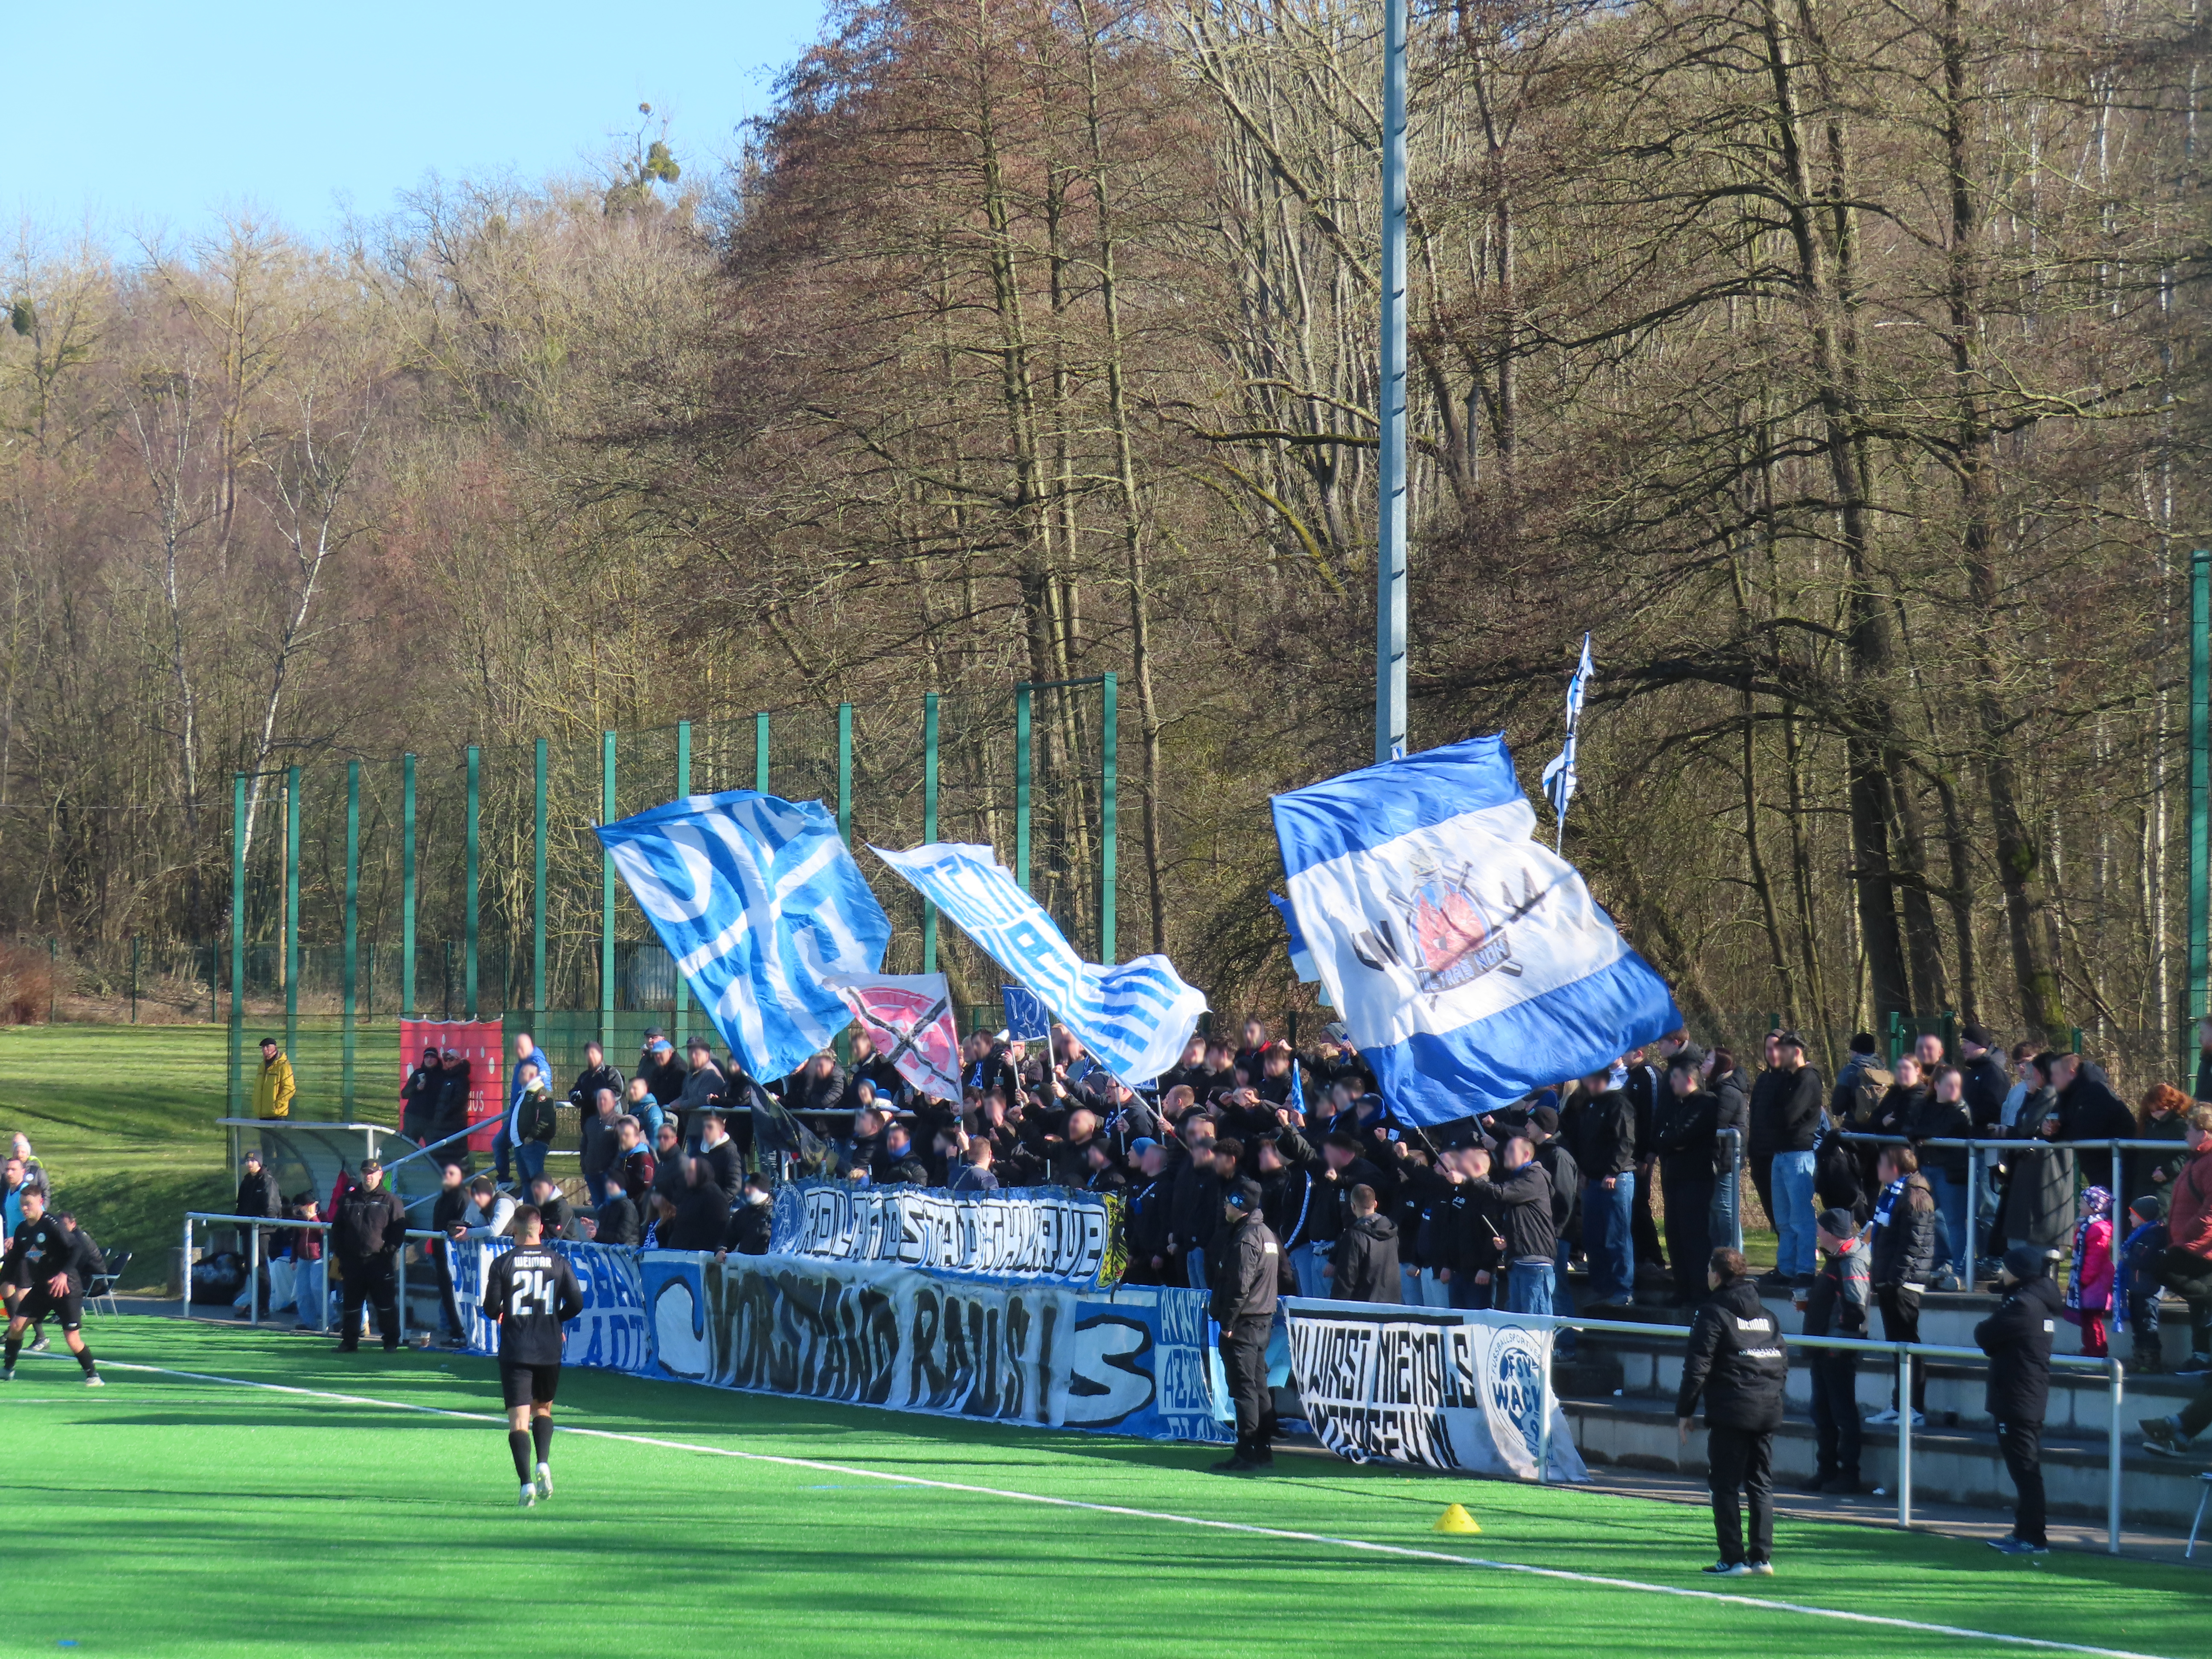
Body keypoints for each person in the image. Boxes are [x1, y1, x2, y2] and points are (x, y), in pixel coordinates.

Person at [1675, 1247, 1784, 1577]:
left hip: (1732, 1410)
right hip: (1766, 1409)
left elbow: (1698, 1365)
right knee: (1760, 1483)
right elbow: (1781, 1361)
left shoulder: (1712, 1312)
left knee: (1724, 1484)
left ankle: (1733, 1559)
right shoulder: (1767, 1315)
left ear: (1718, 1275)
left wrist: (1685, 1411)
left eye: (1710, 1270)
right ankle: (1762, 1558)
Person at [480, 1204, 584, 1508]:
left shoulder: (503, 1263)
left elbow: (490, 1308)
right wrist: (555, 1319)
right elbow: (577, 1303)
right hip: (549, 1347)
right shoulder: (558, 1261)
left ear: (515, 1228)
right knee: (544, 1410)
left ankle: (526, 1484)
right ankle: (543, 1463)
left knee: (518, 1422)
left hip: (516, 1348)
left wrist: (503, 1314)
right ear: (540, 1228)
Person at [1975, 1245, 2061, 1555]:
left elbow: (1984, 1334)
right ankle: (2023, 1531)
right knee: (2024, 1469)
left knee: (2025, 1470)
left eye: (2007, 1268)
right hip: (2022, 1395)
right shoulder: (2031, 1301)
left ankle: (2033, 1537)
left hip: (2018, 1397)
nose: (2002, 1272)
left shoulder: (2024, 1305)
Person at [1208, 1178, 1281, 1474]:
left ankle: (1246, 1451)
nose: (1225, 1206)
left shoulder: (1247, 1238)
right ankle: (1262, 1449)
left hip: (1244, 1322)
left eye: (1229, 1201)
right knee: (1259, 1387)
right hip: (1262, 1320)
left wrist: (1228, 1322)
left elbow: (1240, 1285)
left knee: (1244, 1389)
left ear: (1239, 1204)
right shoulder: (1266, 1234)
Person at [0, 1188, 102, 1385]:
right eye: (22, 1204)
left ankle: (93, 1375)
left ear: (40, 1202)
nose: (24, 1208)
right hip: (42, 1288)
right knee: (16, 1326)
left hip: (66, 1288)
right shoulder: (23, 1230)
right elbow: (15, 1258)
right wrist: (4, 1274)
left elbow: (77, 1248)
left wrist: (64, 1274)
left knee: (72, 1339)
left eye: (28, 1204)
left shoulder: (51, 1224)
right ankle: (8, 1369)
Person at [1798, 1208, 1868, 1495]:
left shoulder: (1851, 1262)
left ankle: (1847, 1474)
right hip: (1825, 1348)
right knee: (1823, 1411)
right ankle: (1827, 1471)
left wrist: (1835, 1345)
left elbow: (1854, 1311)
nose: (1816, 1232)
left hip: (1836, 1351)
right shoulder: (1840, 1259)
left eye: (1820, 1228)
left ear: (1831, 1232)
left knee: (1841, 1413)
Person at [1865, 1145, 1935, 1425]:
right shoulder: (1891, 1194)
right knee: (1898, 1346)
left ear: (1895, 1167)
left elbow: (1913, 1244)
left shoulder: (1915, 1195)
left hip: (1904, 1284)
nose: (1877, 1169)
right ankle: (1900, 1404)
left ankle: (1914, 1409)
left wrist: (1895, 1280)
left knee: (1908, 1344)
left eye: (1882, 1163)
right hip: (1889, 1281)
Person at [1457, 1137, 1557, 1316]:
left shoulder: (1534, 1176)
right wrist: (1508, 1239)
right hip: (1519, 1259)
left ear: (1526, 1154)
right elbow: (1524, 1221)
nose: (1506, 1154)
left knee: (1535, 1320)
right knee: (1518, 1321)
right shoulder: (1519, 1178)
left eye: (1511, 1150)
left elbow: (1501, 1193)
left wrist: (1468, 1180)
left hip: (1535, 1262)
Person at [1652, 1055, 1719, 1308]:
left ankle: (1700, 1291)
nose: (1671, 1083)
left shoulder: (1705, 1103)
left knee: (1694, 1238)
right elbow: (1662, 1137)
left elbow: (1682, 1135)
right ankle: (1682, 1289)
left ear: (1689, 1079)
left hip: (1695, 1179)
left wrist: (1671, 1139)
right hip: (1674, 1178)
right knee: (1675, 1236)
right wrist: (1669, 1139)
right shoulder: (1676, 1105)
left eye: (1676, 1078)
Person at [1572, 1066, 1638, 1308]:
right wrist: (1586, 1172)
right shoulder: (1590, 1105)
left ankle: (1624, 1288)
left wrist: (1613, 1170)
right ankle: (1601, 1287)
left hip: (1615, 1180)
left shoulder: (1619, 1103)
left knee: (1617, 1236)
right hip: (1592, 1180)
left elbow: (1625, 1140)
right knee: (1593, 1238)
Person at [1763, 1033, 1824, 1287]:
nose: (1778, 1055)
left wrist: (1775, 1116)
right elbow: (1770, 1110)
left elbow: (1788, 1115)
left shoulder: (1808, 1079)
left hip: (1799, 1155)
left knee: (1801, 1218)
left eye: (1783, 1049)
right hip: (1781, 1154)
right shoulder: (1785, 1079)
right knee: (1784, 1220)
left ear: (1797, 1051)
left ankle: (1805, 1269)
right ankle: (1787, 1268)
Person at [332, 1158, 407, 1353]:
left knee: (385, 1305)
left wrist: (386, 1255)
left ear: (380, 1175)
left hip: (379, 1263)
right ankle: (349, 1342)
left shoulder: (391, 1201)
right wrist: (342, 1255)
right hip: (353, 1262)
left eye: (372, 1173)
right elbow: (337, 1229)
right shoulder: (349, 1200)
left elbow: (398, 1233)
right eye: (366, 1172)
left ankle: (391, 1342)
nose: (369, 1176)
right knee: (350, 1305)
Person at [2160, 1102, 2212, 1378]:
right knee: (2198, 1302)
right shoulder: (2195, 1160)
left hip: (2199, 1245)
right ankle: (2201, 1356)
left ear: (2203, 1133)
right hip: (2187, 1241)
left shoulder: (2209, 1161)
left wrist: (2189, 1232)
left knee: (2160, 1268)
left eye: (2189, 1129)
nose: (2185, 1134)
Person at [2117, 1194, 2169, 1373]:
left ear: (2143, 1216)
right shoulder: (2139, 1234)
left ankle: (2151, 1360)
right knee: (2138, 1323)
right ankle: (2140, 1357)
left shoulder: (2152, 1235)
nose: (2130, 1218)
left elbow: (2144, 1261)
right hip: (2137, 1287)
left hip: (2148, 1288)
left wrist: (2126, 1257)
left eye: (2133, 1214)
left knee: (2148, 1323)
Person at [2063, 1186, 2115, 1357]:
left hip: (2094, 1285)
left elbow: (2094, 1258)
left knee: (2093, 1320)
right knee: (2087, 1320)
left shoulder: (2098, 1230)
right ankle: (2089, 1350)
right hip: (2089, 1284)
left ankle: (2098, 1352)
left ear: (2095, 1206)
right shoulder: (2088, 1227)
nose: (2079, 1204)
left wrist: (2083, 1280)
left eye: (2083, 1202)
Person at [1329, 1183, 1400, 1303]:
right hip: (1391, 1308)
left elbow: (1346, 1280)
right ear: (1376, 1204)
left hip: (1363, 1311)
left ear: (1353, 1207)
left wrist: (1336, 1309)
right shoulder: (1392, 1234)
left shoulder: (1354, 1237)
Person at [429, 1160, 472, 1346]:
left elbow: (461, 1225)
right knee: (447, 1295)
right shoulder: (442, 1199)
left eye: (452, 1175)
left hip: (455, 1257)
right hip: (440, 1255)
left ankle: (461, 1333)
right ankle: (455, 1332)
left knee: (456, 1295)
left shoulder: (462, 1197)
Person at [508, 1063, 559, 1191]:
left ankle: (544, 1210)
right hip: (521, 1145)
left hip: (533, 1145)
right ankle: (531, 1210)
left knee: (538, 1184)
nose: (519, 1076)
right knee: (527, 1184)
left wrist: (531, 1137)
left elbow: (547, 1120)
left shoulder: (542, 1094)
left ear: (531, 1075)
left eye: (522, 1073)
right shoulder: (525, 1093)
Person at [579, 1088, 623, 1207]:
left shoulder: (619, 1122)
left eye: (605, 1100)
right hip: (591, 1175)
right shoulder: (591, 1122)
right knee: (599, 1211)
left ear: (613, 1103)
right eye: (599, 1100)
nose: (602, 1102)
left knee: (610, 1210)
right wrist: (584, 1164)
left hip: (609, 1176)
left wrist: (613, 1169)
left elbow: (621, 1149)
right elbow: (584, 1145)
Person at [721, 1173, 774, 1257]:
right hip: (745, 1267)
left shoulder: (776, 1216)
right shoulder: (743, 1214)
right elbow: (729, 1236)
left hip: (768, 1268)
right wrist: (721, 1250)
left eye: (750, 1188)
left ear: (762, 1190)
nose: (746, 1191)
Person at [400, 1045, 444, 1144]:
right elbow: (404, 1094)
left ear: (437, 1059)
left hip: (431, 1119)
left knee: (434, 1148)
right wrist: (417, 1089)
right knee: (409, 1146)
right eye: (427, 1057)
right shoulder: (418, 1073)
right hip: (413, 1116)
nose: (429, 1060)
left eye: (432, 1057)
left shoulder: (442, 1075)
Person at [251, 1037, 295, 1120]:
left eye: (268, 1047)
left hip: (277, 1115)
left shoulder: (284, 1066)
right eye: (263, 1048)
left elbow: (290, 1089)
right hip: (262, 1114)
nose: (265, 1050)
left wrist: (278, 1103)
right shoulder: (262, 1066)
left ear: (275, 1048)